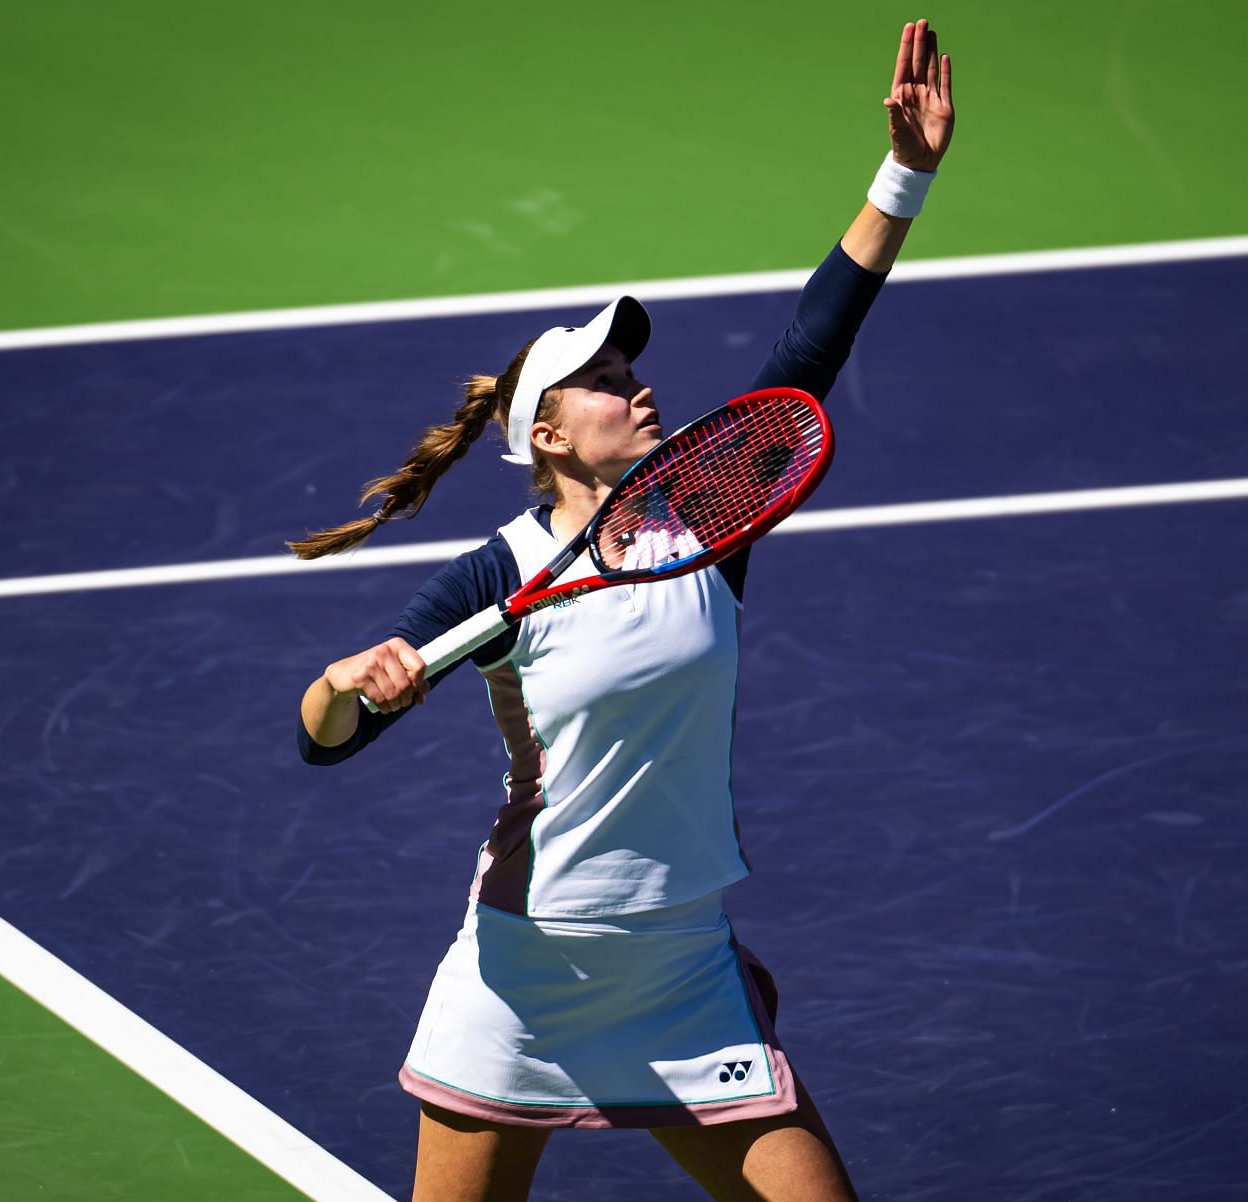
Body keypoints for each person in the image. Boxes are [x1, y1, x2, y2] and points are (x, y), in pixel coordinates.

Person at [293, 20, 954, 1202]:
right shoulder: (494, 573)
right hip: (523, 972)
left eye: (629, 370)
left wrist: (902, 176)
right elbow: (321, 737)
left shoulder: (708, 521)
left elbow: (811, 345)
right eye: (602, 379)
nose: (634, 384)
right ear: (545, 434)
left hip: (681, 968)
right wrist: (352, 680)